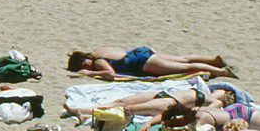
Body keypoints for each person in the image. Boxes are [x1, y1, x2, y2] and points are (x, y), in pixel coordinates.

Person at [67, 44, 234, 80]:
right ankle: (213, 60)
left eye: (83, 66)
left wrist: (90, 73)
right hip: (141, 51)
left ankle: (222, 72)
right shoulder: (98, 50)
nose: (86, 67)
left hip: (142, 62)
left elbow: (110, 74)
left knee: (185, 67)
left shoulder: (98, 61)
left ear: (85, 61)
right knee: (184, 58)